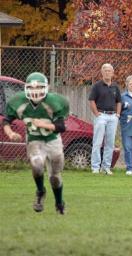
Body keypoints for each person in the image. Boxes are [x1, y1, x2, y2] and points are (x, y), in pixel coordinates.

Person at [2, 72, 69, 214]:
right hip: (34, 140)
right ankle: (40, 192)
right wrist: (11, 133)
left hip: (53, 141)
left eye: (39, 87)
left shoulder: (53, 102)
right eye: (32, 88)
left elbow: (61, 127)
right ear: (26, 88)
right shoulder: (19, 102)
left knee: (55, 178)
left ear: (46, 88)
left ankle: (59, 202)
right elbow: (6, 120)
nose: (35, 91)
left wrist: (43, 125)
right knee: (37, 165)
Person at [89, 63, 121, 175]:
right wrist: (96, 113)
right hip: (101, 116)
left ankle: (106, 167)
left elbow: (119, 101)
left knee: (110, 143)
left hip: (113, 117)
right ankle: (95, 167)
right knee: (97, 142)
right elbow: (91, 100)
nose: (107, 72)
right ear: (102, 72)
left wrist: (117, 115)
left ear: (112, 73)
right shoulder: (97, 86)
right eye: (105, 70)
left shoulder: (115, 87)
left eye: (109, 71)